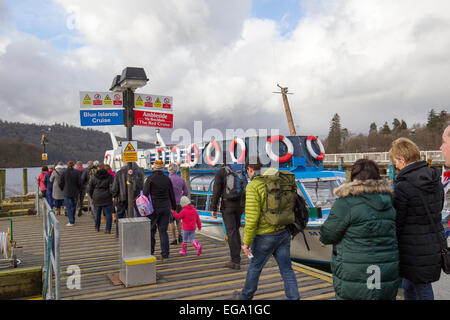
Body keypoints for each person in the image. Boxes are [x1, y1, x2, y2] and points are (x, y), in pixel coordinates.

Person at [319, 159, 400, 300]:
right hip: (385, 268)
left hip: (355, 272)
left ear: (354, 177)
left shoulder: (346, 203)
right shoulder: (389, 201)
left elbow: (327, 235)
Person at [389, 137, 445, 300]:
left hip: (412, 248)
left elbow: (397, 221)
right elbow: (439, 207)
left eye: (396, 161)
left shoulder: (403, 186)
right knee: (411, 284)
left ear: (403, 160)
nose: (396, 165)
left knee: (421, 288)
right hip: (432, 243)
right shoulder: (435, 179)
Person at [237, 156, 299, 300]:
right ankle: (294, 298)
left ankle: (245, 298)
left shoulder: (253, 186)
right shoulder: (277, 180)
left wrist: (246, 243)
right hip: (283, 232)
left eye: (248, 172)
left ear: (250, 169)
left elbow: (252, 219)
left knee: (255, 268)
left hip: (265, 236)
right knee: (287, 270)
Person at [210, 152, 245, 270]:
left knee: (231, 232)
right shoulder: (240, 170)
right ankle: (237, 256)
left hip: (228, 206)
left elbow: (216, 192)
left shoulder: (221, 172)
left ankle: (235, 261)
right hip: (240, 206)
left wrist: (213, 208)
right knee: (236, 230)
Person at [143, 160, 176, 261]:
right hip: (165, 208)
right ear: (162, 168)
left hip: (153, 209)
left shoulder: (150, 179)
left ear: (154, 168)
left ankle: (151, 253)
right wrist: (173, 207)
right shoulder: (167, 179)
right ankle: (165, 255)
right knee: (163, 232)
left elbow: (144, 194)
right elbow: (172, 194)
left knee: (151, 231)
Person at [111, 161, 144, 237]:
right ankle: (135, 233)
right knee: (135, 215)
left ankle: (118, 233)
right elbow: (141, 185)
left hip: (121, 198)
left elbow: (115, 187)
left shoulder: (119, 173)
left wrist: (114, 195)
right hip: (135, 198)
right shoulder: (138, 172)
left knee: (120, 215)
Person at [88, 164, 114, 234]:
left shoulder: (94, 176)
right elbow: (112, 188)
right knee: (108, 214)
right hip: (107, 197)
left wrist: (92, 196)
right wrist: (112, 195)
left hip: (97, 196)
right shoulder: (109, 176)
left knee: (97, 214)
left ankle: (97, 227)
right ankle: (108, 229)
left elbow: (90, 188)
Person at [168, 163, 189, 245]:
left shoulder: (168, 179)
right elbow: (186, 192)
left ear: (169, 170)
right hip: (179, 203)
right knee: (178, 220)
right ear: (177, 170)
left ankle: (174, 239)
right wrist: (181, 197)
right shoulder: (181, 180)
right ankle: (180, 235)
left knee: (171, 221)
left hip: (170, 203)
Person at [60, 161, 82, 226]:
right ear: (73, 165)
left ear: (67, 165)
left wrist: (62, 188)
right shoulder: (77, 172)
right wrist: (79, 190)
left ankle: (71, 221)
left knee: (68, 207)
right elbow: (79, 183)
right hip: (75, 191)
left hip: (67, 191)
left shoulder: (64, 173)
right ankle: (72, 219)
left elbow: (61, 182)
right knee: (73, 206)